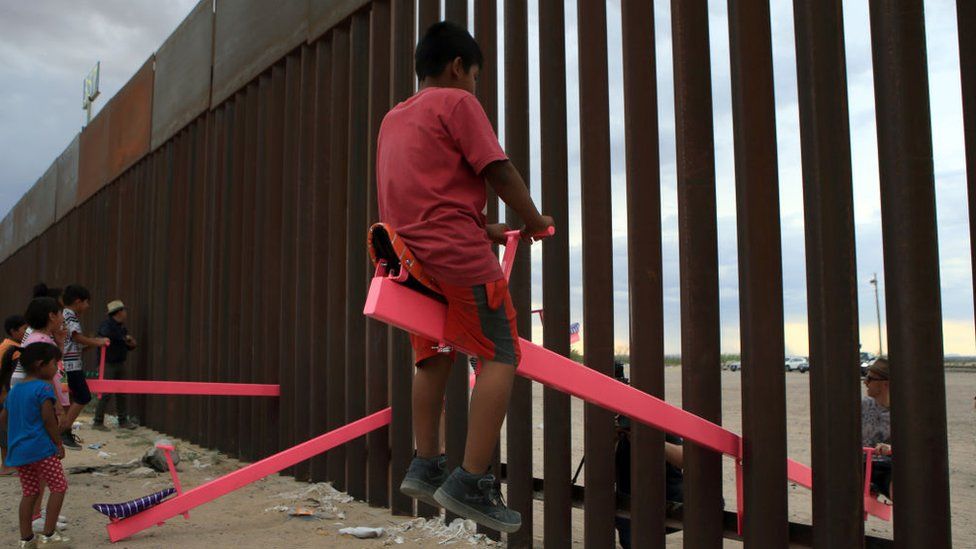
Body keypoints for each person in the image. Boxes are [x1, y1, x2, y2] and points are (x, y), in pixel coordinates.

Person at [377, 21, 552, 533]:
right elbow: (496, 169)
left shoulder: (394, 118)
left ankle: (426, 462)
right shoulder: (457, 103)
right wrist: (535, 220)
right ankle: (472, 481)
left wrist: (485, 226)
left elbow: (421, 191)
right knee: (501, 352)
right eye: (475, 75)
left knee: (434, 356)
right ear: (458, 67)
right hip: (454, 256)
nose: (475, 85)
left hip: (408, 260)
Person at [0, 342, 71, 547]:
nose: (57, 369)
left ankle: (26, 540)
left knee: (30, 492)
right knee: (58, 486)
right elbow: (48, 420)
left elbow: (3, 419)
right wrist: (58, 443)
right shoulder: (43, 388)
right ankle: (49, 535)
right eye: (54, 364)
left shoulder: (15, 391)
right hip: (41, 449)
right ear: (41, 364)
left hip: (19, 452)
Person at [59, 285, 110, 449]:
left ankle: (63, 430)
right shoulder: (70, 315)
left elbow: (74, 342)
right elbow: (76, 337)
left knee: (72, 399)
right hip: (70, 365)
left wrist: (91, 343)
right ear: (78, 302)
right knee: (83, 396)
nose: (88, 307)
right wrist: (97, 341)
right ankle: (64, 429)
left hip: (67, 364)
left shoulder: (65, 315)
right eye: (87, 302)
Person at [94, 300, 137, 430]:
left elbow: (124, 344)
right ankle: (98, 421)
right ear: (119, 312)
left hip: (119, 362)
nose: (126, 313)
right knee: (105, 393)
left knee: (122, 392)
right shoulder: (107, 326)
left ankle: (123, 421)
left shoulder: (121, 327)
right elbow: (107, 336)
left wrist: (130, 343)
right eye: (124, 310)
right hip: (108, 363)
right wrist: (125, 339)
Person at [1, 315, 29, 473]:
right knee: (7, 428)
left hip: (4, 394)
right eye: (24, 329)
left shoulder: (5, 345)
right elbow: (9, 376)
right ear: (13, 331)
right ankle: (7, 465)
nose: (27, 332)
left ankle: (8, 463)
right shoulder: (15, 351)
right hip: (5, 394)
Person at [862, 357, 892, 500]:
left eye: (870, 379)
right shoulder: (862, 405)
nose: (865, 382)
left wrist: (889, 447)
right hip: (858, 466)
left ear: (885, 384)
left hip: (886, 467)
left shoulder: (903, 414)